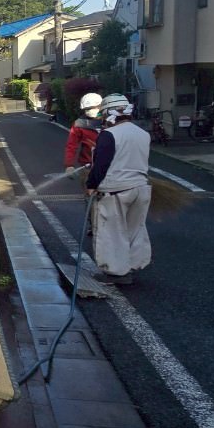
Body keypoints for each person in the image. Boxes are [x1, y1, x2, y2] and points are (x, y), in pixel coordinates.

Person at [85, 93, 152, 285]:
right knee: (135, 230)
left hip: (115, 190)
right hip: (141, 188)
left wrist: (91, 185)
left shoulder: (109, 135)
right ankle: (132, 266)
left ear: (108, 113)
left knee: (112, 232)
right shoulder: (143, 134)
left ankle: (116, 273)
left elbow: (101, 165)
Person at [64, 92, 103, 183]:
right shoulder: (79, 124)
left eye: (94, 107)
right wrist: (69, 165)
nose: (90, 110)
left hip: (112, 165)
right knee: (89, 189)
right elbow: (71, 146)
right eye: (87, 109)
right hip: (88, 166)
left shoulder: (110, 121)